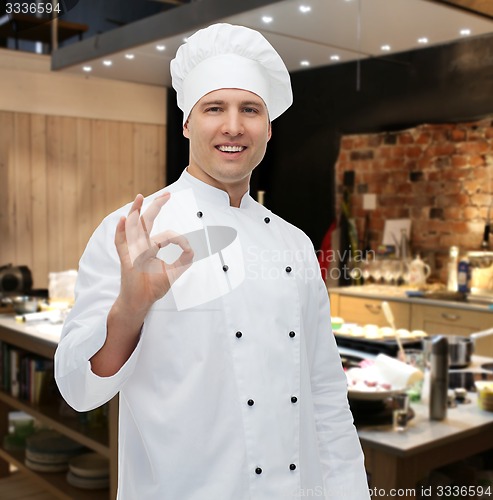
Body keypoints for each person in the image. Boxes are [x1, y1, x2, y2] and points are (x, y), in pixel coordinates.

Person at [55, 23, 370, 500]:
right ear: (186, 122)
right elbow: (79, 390)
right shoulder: (132, 231)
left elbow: (325, 392)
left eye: (250, 109)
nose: (233, 126)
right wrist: (131, 309)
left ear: (268, 128)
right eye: (214, 108)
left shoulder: (294, 245)